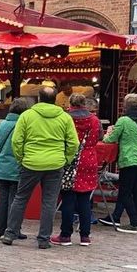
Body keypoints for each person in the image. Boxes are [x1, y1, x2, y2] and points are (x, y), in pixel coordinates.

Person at [1, 86, 79, 248]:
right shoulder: (64, 117)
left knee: (21, 198)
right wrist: (66, 159)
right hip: (55, 163)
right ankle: (43, 239)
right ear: (56, 99)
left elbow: (17, 141)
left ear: (38, 97)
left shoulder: (27, 116)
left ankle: (10, 233)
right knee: (49, 202)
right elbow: (73, 143)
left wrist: (21, 158)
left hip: (30, 162)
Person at [50, 93, 102, 246]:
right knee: (85, 199)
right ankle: (85, 236)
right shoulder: (94, 120)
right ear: (84, 103)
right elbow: (99, 136)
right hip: (89, 159)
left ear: (70, 103)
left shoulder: (66, 118)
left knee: (68, 198)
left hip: (70, 159)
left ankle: (65, 235)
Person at [99, 93, 137, 233]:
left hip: (128, 160)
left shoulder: (123, 120)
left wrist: (107, 135)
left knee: (125, 192)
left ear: (125, 105)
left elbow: (111, 139)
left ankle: (134, 223)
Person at [0, 97, 31, 238]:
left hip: (1, 166)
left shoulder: (1, 124)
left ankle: (1, 229)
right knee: (15, 200)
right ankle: (13, 229)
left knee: (2, 199)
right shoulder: (23, 125)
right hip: (16, 167)